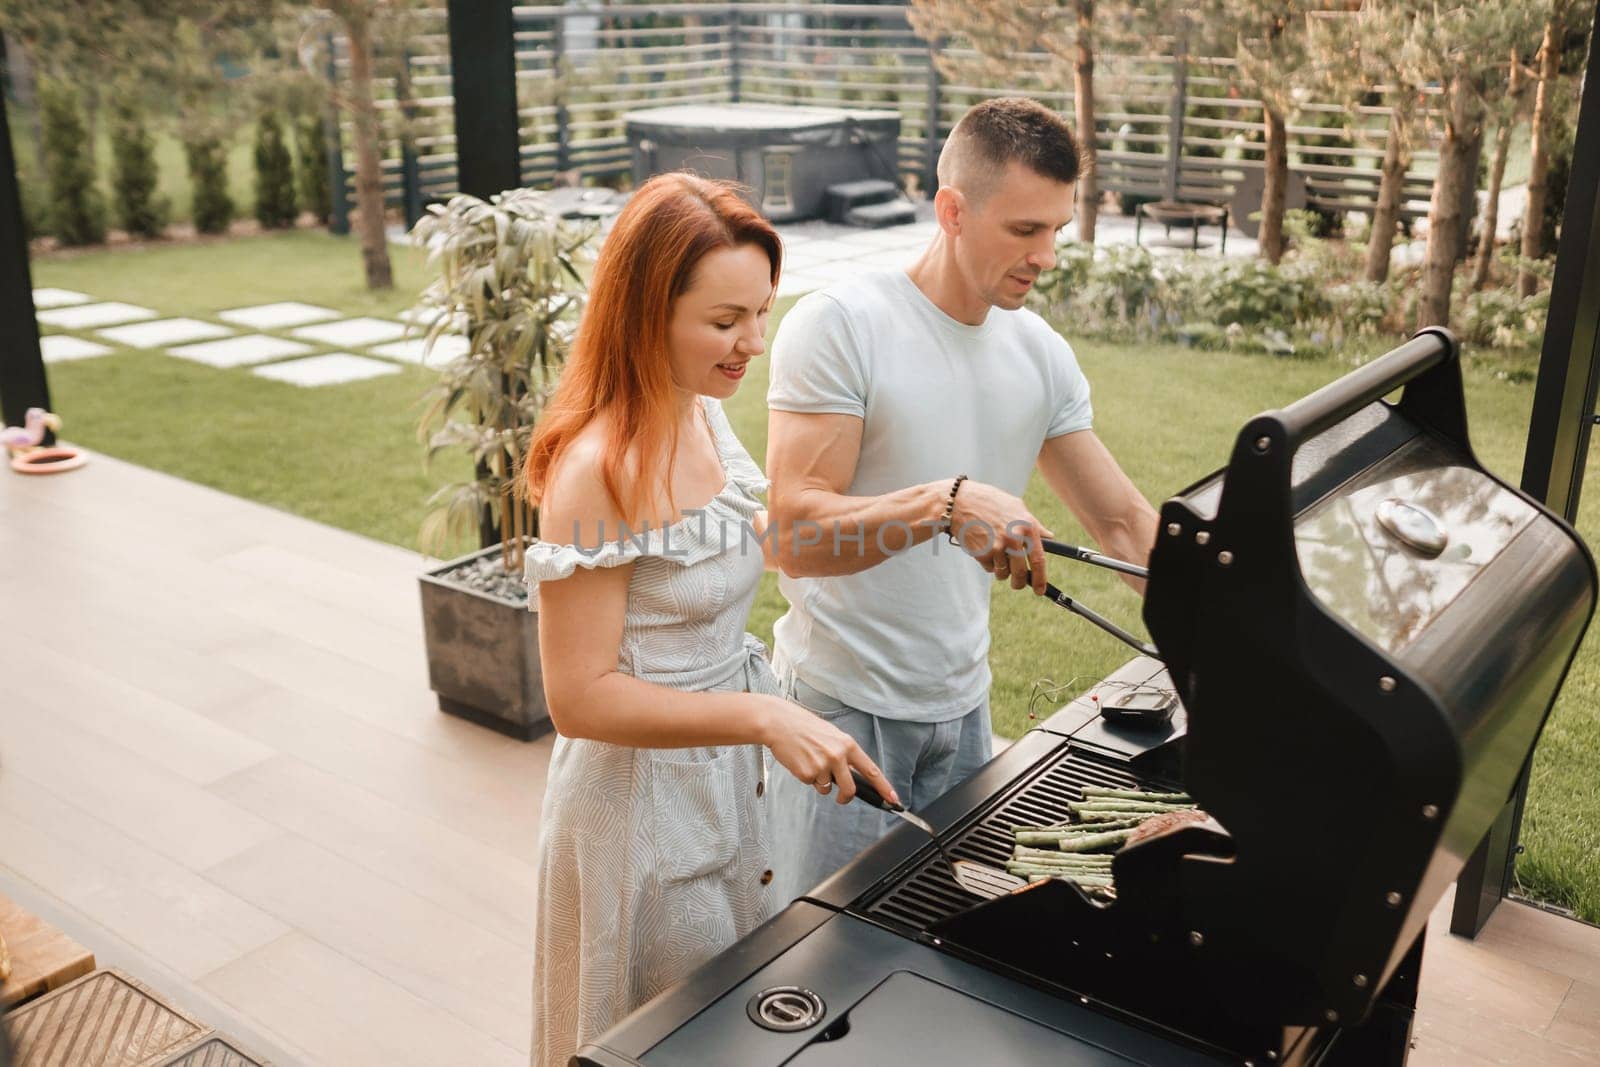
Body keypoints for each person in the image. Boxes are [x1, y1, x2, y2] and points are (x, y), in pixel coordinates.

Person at [520, 172, 897, 1067]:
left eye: (760, 314)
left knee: (728, 1027)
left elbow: (744, 547)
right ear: (648, 311)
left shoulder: (701, 413)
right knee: (664, 1037)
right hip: (637, 811)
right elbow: (578, 698)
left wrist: (914, 522)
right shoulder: (596, 472)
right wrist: (765, 714)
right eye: (725, 321)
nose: (753, 344)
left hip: (727, 785)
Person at [763, 97, 1161, 903]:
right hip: (843, 717)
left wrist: (1237, 638)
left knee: (949, 952)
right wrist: (943, 503)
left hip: (967, 716)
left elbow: (1121, 523)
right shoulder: (843, 326)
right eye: (1025, 230)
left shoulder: (1038, 351)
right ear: (951, 210)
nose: (1047, 254)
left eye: (1057, 228)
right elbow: (792, 534)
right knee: (819, 959)